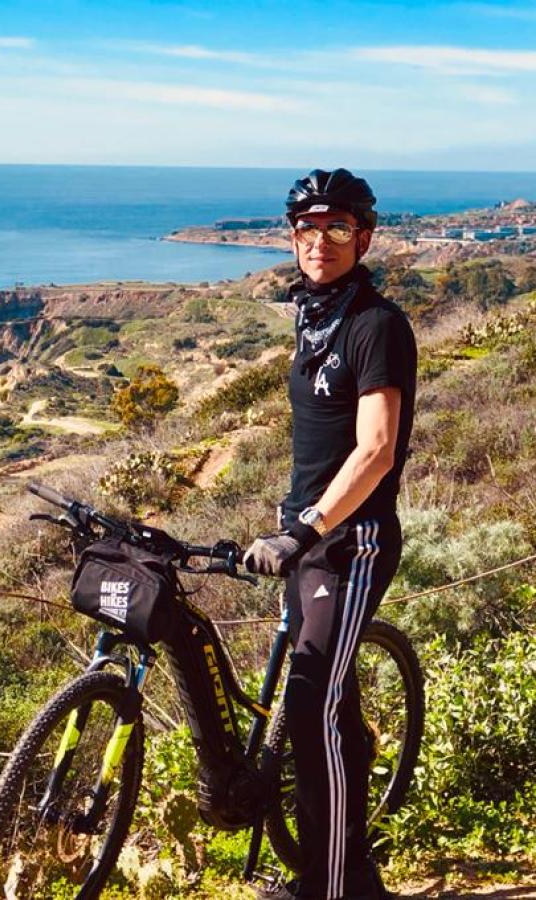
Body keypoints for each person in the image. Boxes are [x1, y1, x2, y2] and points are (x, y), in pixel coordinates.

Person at [243, 169, 417, 900]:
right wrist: (291, 527)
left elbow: (376, 450)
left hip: (353, 542)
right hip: (304, 538)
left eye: (338, 229)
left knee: (308, 704)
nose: (320, 242)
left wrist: (310, 527)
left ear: (364, 237)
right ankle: (356, 874)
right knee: (328, 710)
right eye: (308, 230)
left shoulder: (376, 324)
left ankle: (331, 885)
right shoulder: (312, 315)